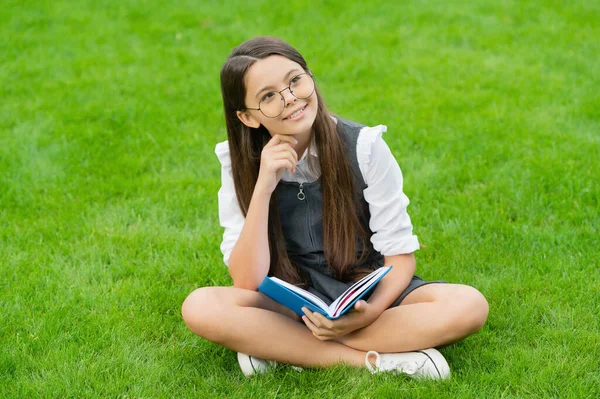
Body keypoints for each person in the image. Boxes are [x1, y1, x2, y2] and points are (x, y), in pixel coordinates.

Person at [182, 36, 489, 379]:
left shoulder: (365, 147)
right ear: (247, 117)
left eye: (295, 80)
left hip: (366, 295)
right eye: (268, 96)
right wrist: (264, 185)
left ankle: (281, 347)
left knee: (469, 306)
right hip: (293, 304)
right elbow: (245, 279)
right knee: (201, 306)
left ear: (309, 76)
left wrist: (368, 314)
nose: (290, 99)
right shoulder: (237, 161)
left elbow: (400, 258)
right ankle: (376, 362)